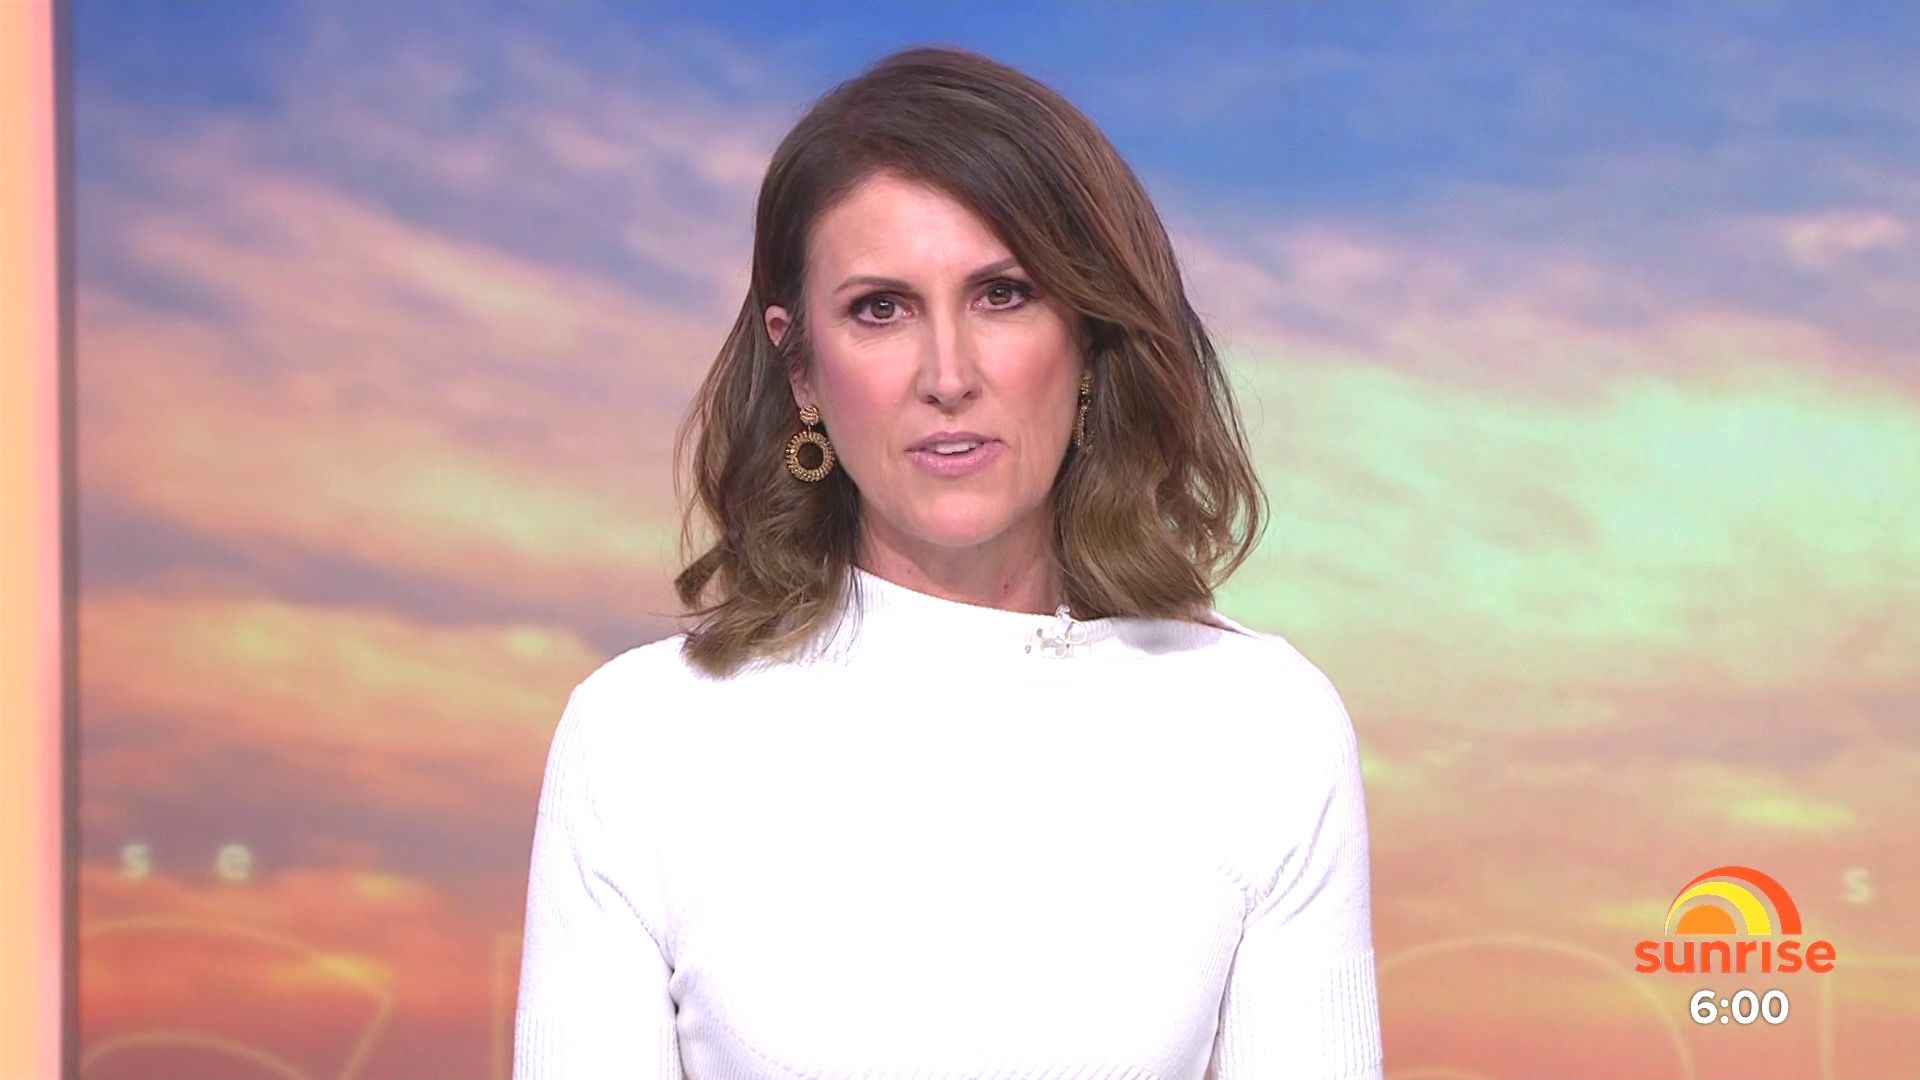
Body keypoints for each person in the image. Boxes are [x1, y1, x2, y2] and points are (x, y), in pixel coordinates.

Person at [513, 43, 1382, 1080]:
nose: (948, 375)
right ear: (800, 366)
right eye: (880, 309)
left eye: (1002, 294)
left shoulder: (1261, 725)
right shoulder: (639, 739)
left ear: (1089, 333)